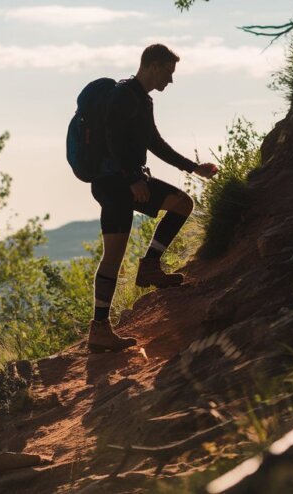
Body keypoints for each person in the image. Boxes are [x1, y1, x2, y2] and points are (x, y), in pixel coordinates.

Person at [87, 44, 218, 353]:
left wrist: (193, 168)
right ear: (154, 66)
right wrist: (132, 179)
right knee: (113, 256)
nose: (170, 81)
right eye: (168, 73)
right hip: (113, 184)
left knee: (182, 203)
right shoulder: (122, 95)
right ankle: (100, 331)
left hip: (129, 182)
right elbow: (112, 138)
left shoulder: (142, 101)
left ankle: (149, 267)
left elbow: (154, 143)